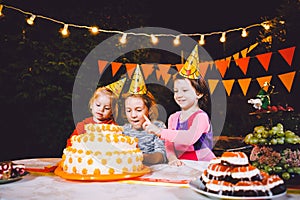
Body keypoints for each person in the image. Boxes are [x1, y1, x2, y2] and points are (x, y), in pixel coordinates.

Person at [143, 45, 215, 166]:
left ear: (199, 93)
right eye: (176, 91)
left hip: (202, 165)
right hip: (181, 165)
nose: (179, 95)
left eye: (185, 90)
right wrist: (172, 158)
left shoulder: (201, 117)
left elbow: (189, 138)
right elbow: (169, 143)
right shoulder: (173, 118)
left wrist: (160, 131)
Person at [122, 65, 167, 165]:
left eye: (138, 110)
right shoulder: (123, 130)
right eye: (129, 110)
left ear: (149, 110)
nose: (133, 115)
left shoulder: (158, 127)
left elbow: (161, 156)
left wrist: (140, 158)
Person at [66, 78, 127, 147]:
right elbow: (71, 142)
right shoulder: (83, 125)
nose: (101, 109)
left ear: (112, 112)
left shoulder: (113, 128)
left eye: (106, 108)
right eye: (98, 105)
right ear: (91, 105)